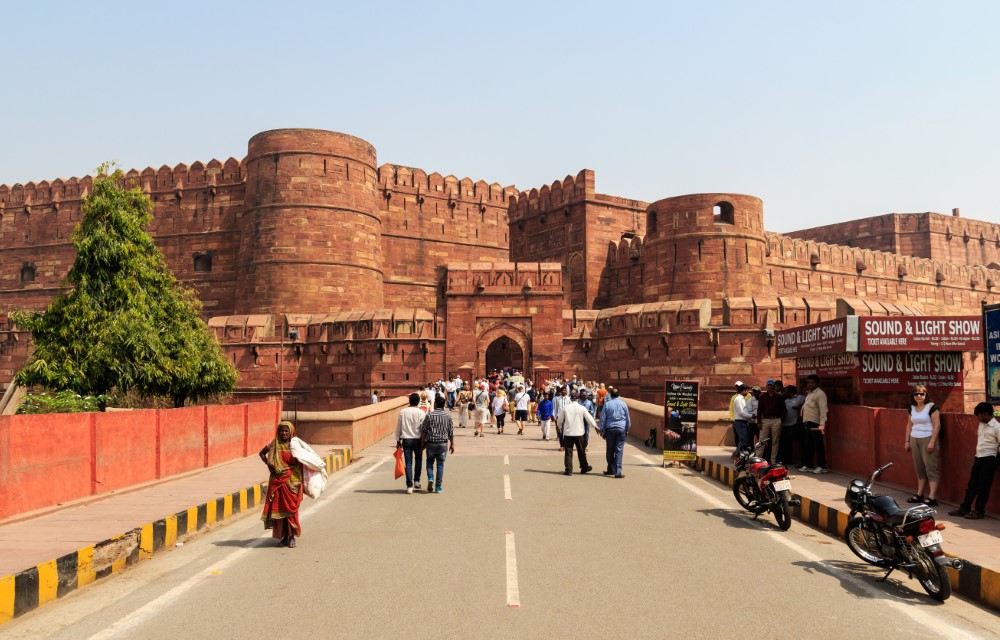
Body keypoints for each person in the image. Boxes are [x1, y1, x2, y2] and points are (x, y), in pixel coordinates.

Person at [948, 402, 999, 520]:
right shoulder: (982, 424)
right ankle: (964, 508)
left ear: (985, 414)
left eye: (979, 416)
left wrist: (995, 461)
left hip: (990, 458)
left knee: (983, 486)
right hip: (979, 457)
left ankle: (979, 510)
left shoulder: (997, 427)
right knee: (972, 485)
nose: (978, 418)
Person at [259, 421, 304, 547]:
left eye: (286, 431)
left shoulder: (295, 445)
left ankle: (291, 536)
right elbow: (261, 453)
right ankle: (284, 536)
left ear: (291, 432)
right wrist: (269, 464)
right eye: (281, 431)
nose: (284, 433)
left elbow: (304, 460)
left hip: (292, 482)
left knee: (291, 510)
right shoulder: (274, 444)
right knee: (279, 509)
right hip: (277, 482)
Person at [903, 385, 942, 506]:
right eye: (916, 394)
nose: (919, 396)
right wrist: (907, 441)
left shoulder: (931, 407)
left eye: (922, 394)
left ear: (926, 395)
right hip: (915, 438)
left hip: (928, 438)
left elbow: (937, 425)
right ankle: (920, 494)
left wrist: (932, 442)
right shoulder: (912, 408)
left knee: (930, 467)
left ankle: (932, 497)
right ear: (913, 396)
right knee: (919, 468)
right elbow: (909, 425)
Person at [421, 395, 455, 493]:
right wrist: (452, 444)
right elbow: (451, 431)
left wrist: (422, 443)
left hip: (431, 443)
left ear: (435, 404)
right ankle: (438, 487)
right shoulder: (448, 416)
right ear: (444, 404)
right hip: (443, 443)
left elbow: (424, 430)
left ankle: (430, 478)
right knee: (440, 465)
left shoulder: (429, 415)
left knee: (429, 462)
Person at [558, 391, 595, 476]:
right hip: (579, 433)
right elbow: (590, 419)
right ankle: (584, 467)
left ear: (570, 399)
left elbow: (559, 419)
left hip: (568, 433)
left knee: (568, 452)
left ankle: (568, 470)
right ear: (578, 399)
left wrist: (559, 426)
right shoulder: (582, 408)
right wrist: (596, 427)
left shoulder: (566, 408)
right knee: (581, 451)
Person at [799, 374, 829, 474]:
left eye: (812, 382)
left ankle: (822, 466)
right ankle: (809, 465)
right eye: (809, 382)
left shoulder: (820, 394)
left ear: (817, 383)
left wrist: (822, 425)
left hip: (816, 423)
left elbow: (823, 410)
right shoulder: (810, 393)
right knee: (809, 445)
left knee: (818, 445)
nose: (810, 384)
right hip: (808, 421)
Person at [395, 393, 425, 494]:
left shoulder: (403, 412)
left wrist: (398, 440)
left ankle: (409, 486)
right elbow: (423, 428)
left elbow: (399, 427)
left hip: (406, 439)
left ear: (409, 401)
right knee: (419, 460)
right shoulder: (421, 412)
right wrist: (424, 441)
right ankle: (416, 481)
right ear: (418, 401)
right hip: (417, 439)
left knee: (408, 462)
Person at [599, 387, 631, 478]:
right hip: (621, 429)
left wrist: (602, 430)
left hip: (610, 429)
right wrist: (627, 429)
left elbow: (603, 418)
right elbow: (628, 418)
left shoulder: (607, 404)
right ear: (619, 395)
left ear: (611, 395)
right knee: (619, 450)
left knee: (610, 450)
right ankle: (617, 472)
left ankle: (610, 469)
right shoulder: (623, 404)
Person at [757, 380, 786, 464]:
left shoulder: (778, 397)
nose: (769, 387)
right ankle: (758, 459)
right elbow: (759, 410)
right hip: (765, 420)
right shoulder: (762, 397)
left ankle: (773, 460)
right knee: (762, 440)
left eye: (771, 385)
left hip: (776, 420)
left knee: (775, 441)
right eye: (768, 385)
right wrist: (759, 422)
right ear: (766, 386)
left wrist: (781, 420)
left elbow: (784, 410)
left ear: (774, 387)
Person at [780, 385, 805, 466]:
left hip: (795, 424)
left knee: (799, 442)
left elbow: (807, 401)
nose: (785, 393)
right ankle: (787, 460)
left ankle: (802, 460)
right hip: (784, 424)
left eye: (786, 391)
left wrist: (800, 407)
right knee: (785, 443)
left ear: (790, 392)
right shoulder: (785, 399)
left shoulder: (800, 398)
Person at [732, 384, 753, 449]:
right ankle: (736, 455)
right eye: (747, 391)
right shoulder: (738, 399)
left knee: (743, 439)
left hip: (743, 421)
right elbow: (741, 412)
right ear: (744, 390)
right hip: (740, 421)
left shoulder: (741, 399)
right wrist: (751, 416)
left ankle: (739, 455)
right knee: (743, 440)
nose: (748, 392)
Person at [553, 386, 569, 451]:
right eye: (562, 390)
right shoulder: (557, 399)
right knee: (560, 432)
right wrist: (555, 416)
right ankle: (562, 445)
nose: (563, 391)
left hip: (567, 417)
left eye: (564, 390)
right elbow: (555, 408)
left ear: (566, 391)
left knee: (566, 432)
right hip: (559, 417)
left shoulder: (568, 399)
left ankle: (566, 444)